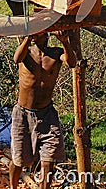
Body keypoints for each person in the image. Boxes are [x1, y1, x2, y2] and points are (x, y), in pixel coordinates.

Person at [9, 31, 76, 189]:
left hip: (47, 114)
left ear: (47, 35)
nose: (41, 35)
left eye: (43, 33)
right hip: (23, 113)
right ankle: (13, 187)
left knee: (49, 158)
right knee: (19, 159)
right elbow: (16, 58)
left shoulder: (56, 53)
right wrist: (27, 38)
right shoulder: (27, 52)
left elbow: (72, 63)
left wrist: (65, 41)